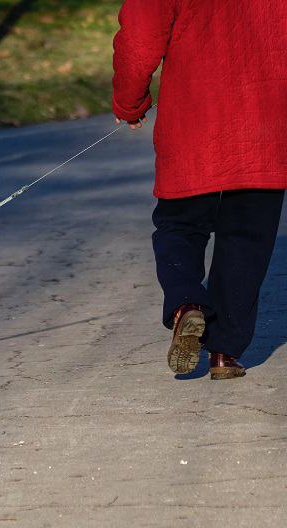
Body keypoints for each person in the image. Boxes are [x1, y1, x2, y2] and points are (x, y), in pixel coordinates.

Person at [112, 0, 287, 379]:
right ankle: (225, 352)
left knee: (180, 227)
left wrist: (130, 102)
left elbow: (140, 40)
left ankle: (185, 304)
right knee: (247, 239)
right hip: (266, 120)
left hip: (194, 122)